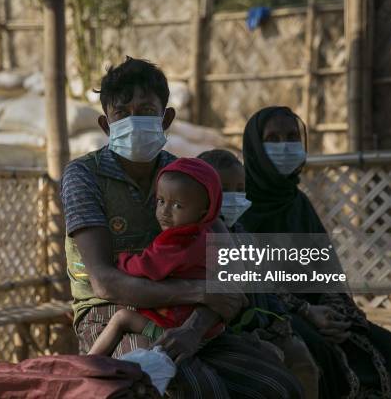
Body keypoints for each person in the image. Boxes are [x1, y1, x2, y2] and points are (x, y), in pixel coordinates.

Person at [61, 57, 304, 398]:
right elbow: (105, 282)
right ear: (105, 124)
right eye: (122, 113)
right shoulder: (83, 176)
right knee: (183, 385)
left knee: (279, 386)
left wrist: (194, 327)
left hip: (191, 317)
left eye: (146, 110)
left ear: (167, 118)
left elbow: (230, 267)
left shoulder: (188, 176)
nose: (135, 120)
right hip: (111, 316)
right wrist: (199, 291)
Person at [238, 106, 391, 399]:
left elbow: (324, 268)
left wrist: (336, 312)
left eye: (291, 137)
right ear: (255, 147)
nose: (284, 146)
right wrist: (305, 312)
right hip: (271, 312)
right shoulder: (239, 205)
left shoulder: (297, 202)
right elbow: (249, 280)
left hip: (319, 312)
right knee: (321, 357)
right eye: (272, 139)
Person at [199, 149, 319, 399]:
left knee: (304, 363)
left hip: (267, 328)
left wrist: (280, 321)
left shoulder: (246, 236)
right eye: (224, 189)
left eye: (239, 189)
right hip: (230, 335)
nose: (233, 197)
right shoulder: (200, 241)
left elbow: (268, 288)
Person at [88, 158, 226, 357]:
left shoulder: (176, 242)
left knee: (122, 318)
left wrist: (123, 261)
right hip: (208, 326)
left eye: (177, 205)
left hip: (174, 325)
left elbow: (147, 267)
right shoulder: (207, 237)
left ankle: (88, 364)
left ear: (203, 211)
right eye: (161, 201)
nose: (165, 212)